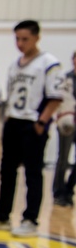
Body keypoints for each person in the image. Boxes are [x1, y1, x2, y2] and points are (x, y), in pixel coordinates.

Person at [0, 21, 66, 236]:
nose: (20, 43)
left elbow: (55, 97)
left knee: (32, 173)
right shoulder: (15, 64)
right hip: (13, 122)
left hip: (33, 124)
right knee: (7, 171)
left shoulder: (49, 63)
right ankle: (2, 217)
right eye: (17, 39)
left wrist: (41, 122)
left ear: (37, 37)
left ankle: (30, 220)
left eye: (25, 39)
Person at [52, 52, 76, 207]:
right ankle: (58, 192)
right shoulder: (65, 79)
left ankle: (69, 190)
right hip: (67, 123)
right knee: (63, 158)